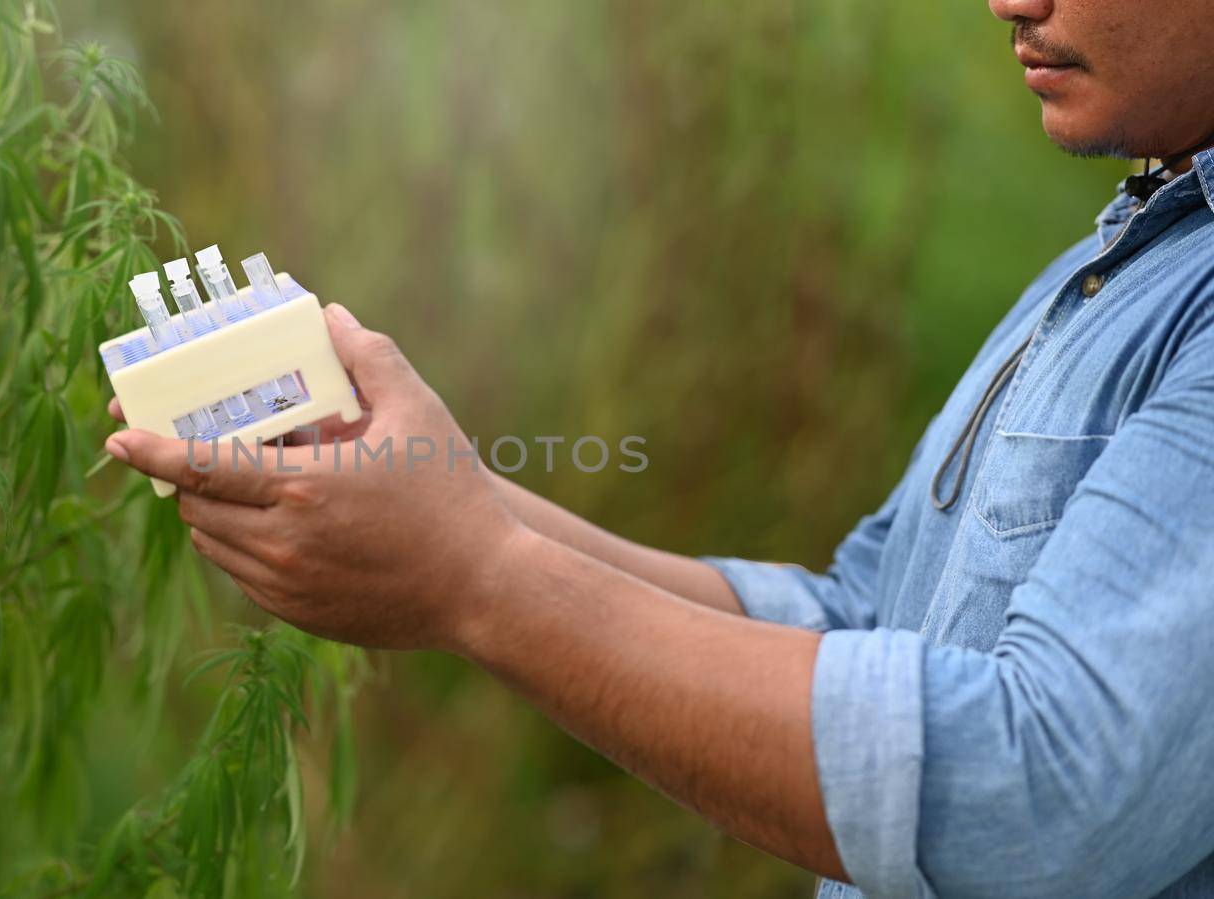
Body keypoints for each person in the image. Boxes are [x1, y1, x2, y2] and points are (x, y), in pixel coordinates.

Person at [103, 0, 1214, 895]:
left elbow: (1043, 799)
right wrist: (453, 501)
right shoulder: (1120, 265)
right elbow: (867, 621)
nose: (1007, 3)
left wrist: (473, 578)